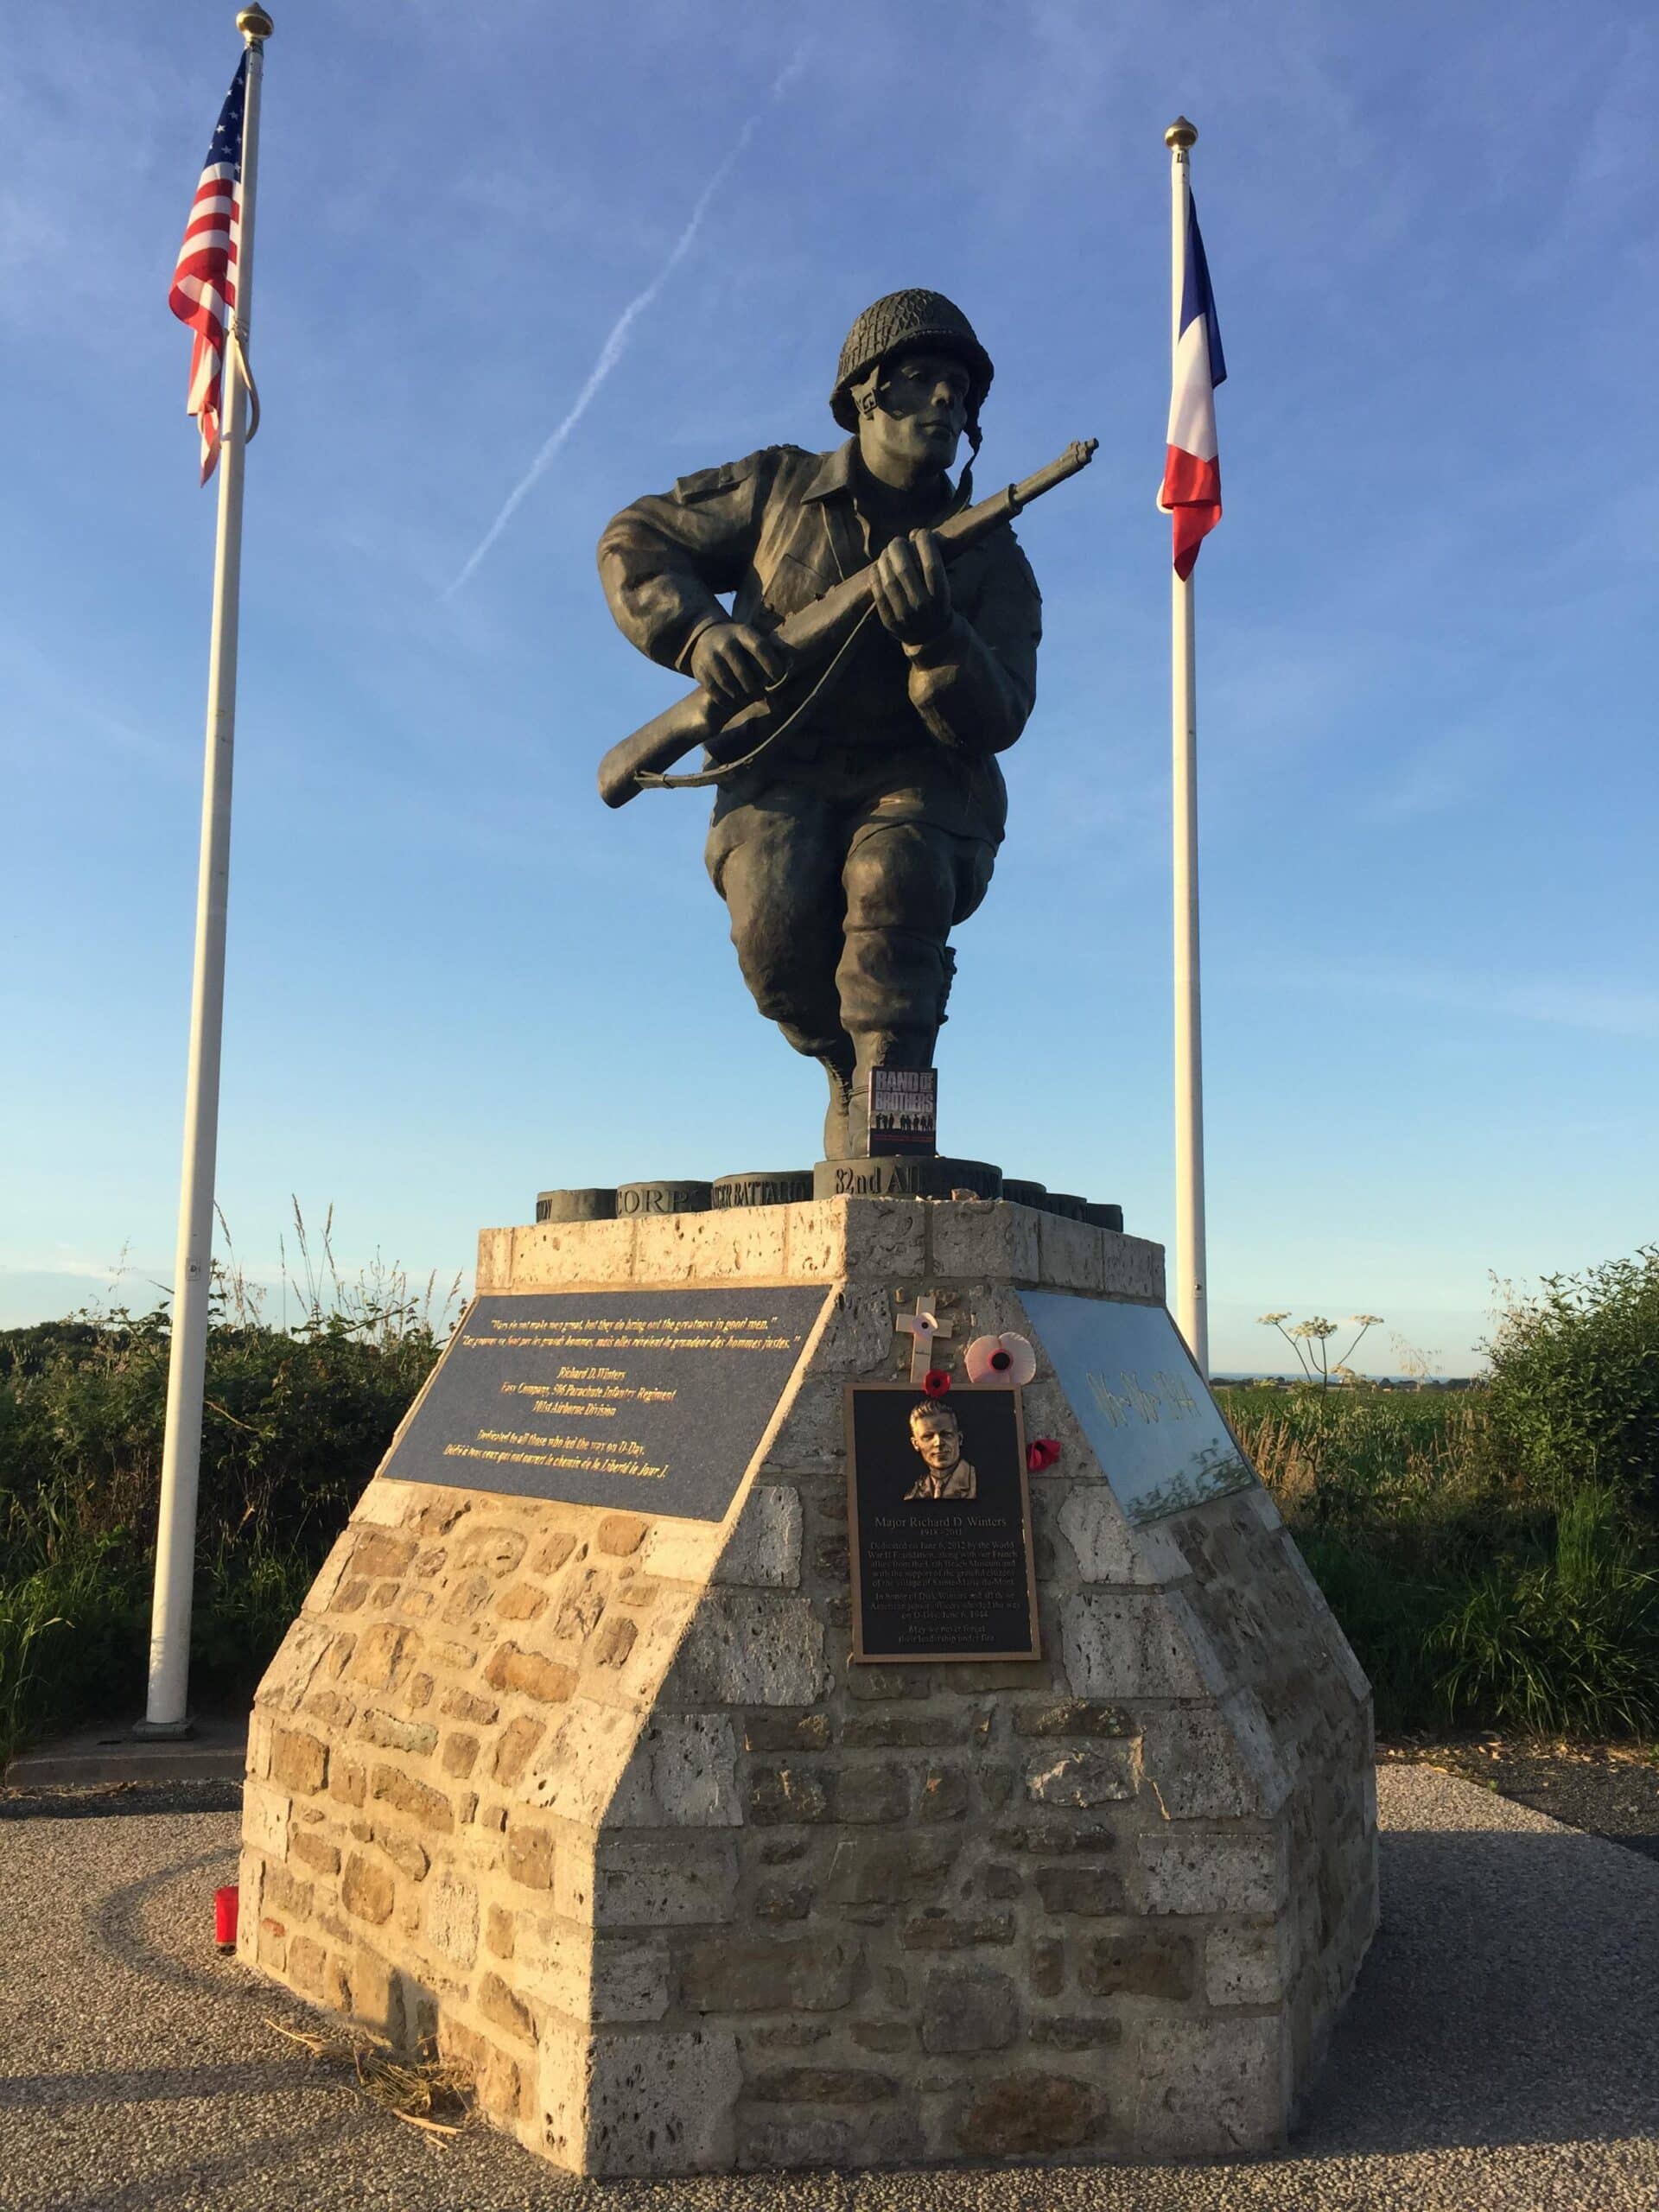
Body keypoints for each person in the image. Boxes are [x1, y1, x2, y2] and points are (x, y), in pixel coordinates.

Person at [597, 289, 1042, 1159]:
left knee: (894, 875)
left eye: (960, 387)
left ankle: (892, 1113)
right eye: (921, 379)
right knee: (776, 933)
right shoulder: (778, 488)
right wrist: (701, 633)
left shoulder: (989, 553)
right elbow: (636, 536)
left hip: (925, 787)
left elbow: (1002, 712)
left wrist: (936, 636)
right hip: (776, 773)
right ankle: (844, 1062)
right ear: (869, 394)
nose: (948, 401)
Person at [903, 1397, 977, 1502]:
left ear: (959, 1438)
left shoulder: (981, 1483)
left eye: (946, 1434)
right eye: (928, 1436)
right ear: (916, 1444)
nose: (939, 1443)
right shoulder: (913, 1494)